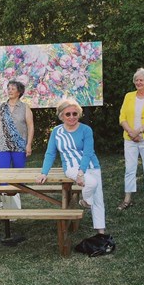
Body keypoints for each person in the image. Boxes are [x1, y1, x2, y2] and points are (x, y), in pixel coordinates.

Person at [36, 100, 106, 234]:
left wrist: (81, 172)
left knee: (98, 200)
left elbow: (88, 152)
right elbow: (50, 153)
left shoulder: (86, 129)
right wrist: (44, 173)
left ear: (79, 114)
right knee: (91, 183)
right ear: (61, 116)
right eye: (68, 114)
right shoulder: (57, 132)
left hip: (91, 165)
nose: (72, 117)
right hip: (71, 167)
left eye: (75, 113)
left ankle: (101, 233)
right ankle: (85, 200)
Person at [118, 68, 144, 212]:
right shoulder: (128, 96)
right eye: (136, 79)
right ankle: (127, 199)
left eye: (141, 79)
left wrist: (138, 131)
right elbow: (122, 117)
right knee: (130, 169)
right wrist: (131, 132)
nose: (138, 82)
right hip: (129, 138)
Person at [0, 80, 34, 209]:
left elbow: (31, 126)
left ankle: (16, 208)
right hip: (2, 145)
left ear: (19, 92)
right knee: (3, 176)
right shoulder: (1, 107)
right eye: (8, 88)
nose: (9, 90)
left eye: (13, 88)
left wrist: (29, 144)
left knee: (18, 177)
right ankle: (5, 206)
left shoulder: (25, 108)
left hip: (20, 146)